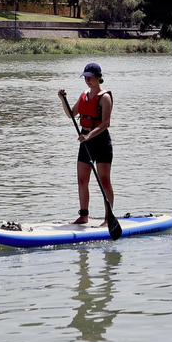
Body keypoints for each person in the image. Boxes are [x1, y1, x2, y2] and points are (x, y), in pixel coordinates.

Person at [60, 62, 113, 224]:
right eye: (85, 77)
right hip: (85, 141)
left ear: (99, 78)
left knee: (104, 180)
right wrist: (62, 99)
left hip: (101, 141)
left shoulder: (105, 97)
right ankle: (84, 216)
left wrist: (89, 135)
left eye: (90, 77)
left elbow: (105, 124)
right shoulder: (84, 95)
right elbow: (71, 114)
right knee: (82, 180)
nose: (87, 80)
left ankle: (107, 218)